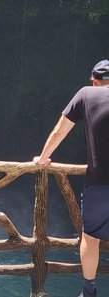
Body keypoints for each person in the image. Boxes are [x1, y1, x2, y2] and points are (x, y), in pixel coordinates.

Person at [33, 59, 109, 297]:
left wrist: (43, 157)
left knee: (90, 236)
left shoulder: (86, 94)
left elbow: (61, 130)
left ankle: (88, 291)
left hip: (99, 183)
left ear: (94, 80)